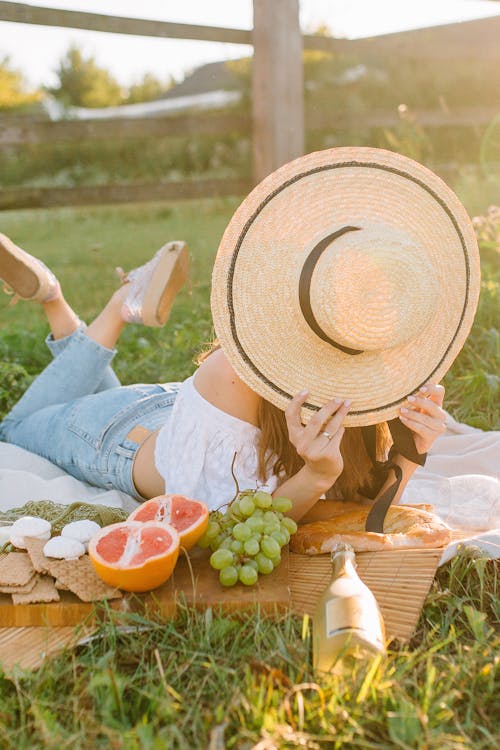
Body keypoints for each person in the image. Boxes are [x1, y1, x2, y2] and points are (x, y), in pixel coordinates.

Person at [0, 147, 480, 525]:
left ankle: (61, 299)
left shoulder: (378, 357)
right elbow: (228, 526)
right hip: (118, 438)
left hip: (189, 419)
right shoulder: (231, 372)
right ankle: (110, 303)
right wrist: (315, 475)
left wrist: (411, 448)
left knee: (40, 413)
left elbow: (362, 498)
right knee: (12, 434)